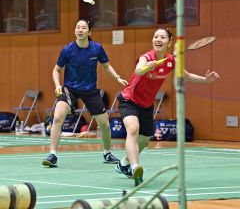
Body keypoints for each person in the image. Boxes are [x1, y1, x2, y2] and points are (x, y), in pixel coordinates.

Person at [115, 28, 220, 186]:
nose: (158, 39)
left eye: (162, 37)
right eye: (156, 36)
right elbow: (138, 69)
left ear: (169, 42)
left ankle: (123, 163)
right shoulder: (147, 57)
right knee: (133, 129)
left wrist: (206, 80)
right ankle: (135, 166)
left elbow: (187, 76)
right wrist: (146, 67)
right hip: (129, 100)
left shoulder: (171, 61)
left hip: (146, 104)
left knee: (144, 140)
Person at [42, 19, 128, 168]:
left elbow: (106, 66)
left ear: (89, 32)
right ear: (75, 31)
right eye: (77, 27)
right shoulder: (68, 50)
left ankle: (107, 153)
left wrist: (117, 77)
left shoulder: (97, 48)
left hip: (90, 91)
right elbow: (56, 70)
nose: (80, 30)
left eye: (83, 28)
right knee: (57, 117)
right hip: (70, 88)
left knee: (105, 124)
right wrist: (57, 85)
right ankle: (53, 154)